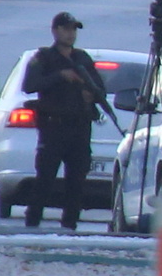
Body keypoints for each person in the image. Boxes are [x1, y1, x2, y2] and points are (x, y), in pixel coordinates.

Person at [20, 12, 107, 231]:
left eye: (73, 30)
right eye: (66, 29)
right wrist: (60, 76)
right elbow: (30, 85)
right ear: (55, 30)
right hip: (53, 127)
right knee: (45, 179)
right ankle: (32, 224)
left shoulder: (82, 59)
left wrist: (91, 95)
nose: (71, 34)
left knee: (77, 181)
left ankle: (70, 225)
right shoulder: (44, 58)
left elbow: (99, 90)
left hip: (79, 127)